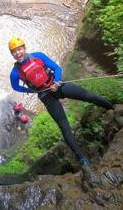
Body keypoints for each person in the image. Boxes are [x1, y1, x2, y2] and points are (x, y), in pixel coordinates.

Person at [8, 37, 114, 166]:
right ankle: (82, 158)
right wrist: (31, 91)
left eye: (19, 49)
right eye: (14, 51)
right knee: (64, 127)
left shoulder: (38, 56)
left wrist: (57, 82)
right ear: (12, 54)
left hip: (58, 86)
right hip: (45, 96)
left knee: (89, 96)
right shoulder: (15, 73)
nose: (18, 53)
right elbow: (15, 87)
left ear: (24, 48)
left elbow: (57, 68)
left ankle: (112, 108)